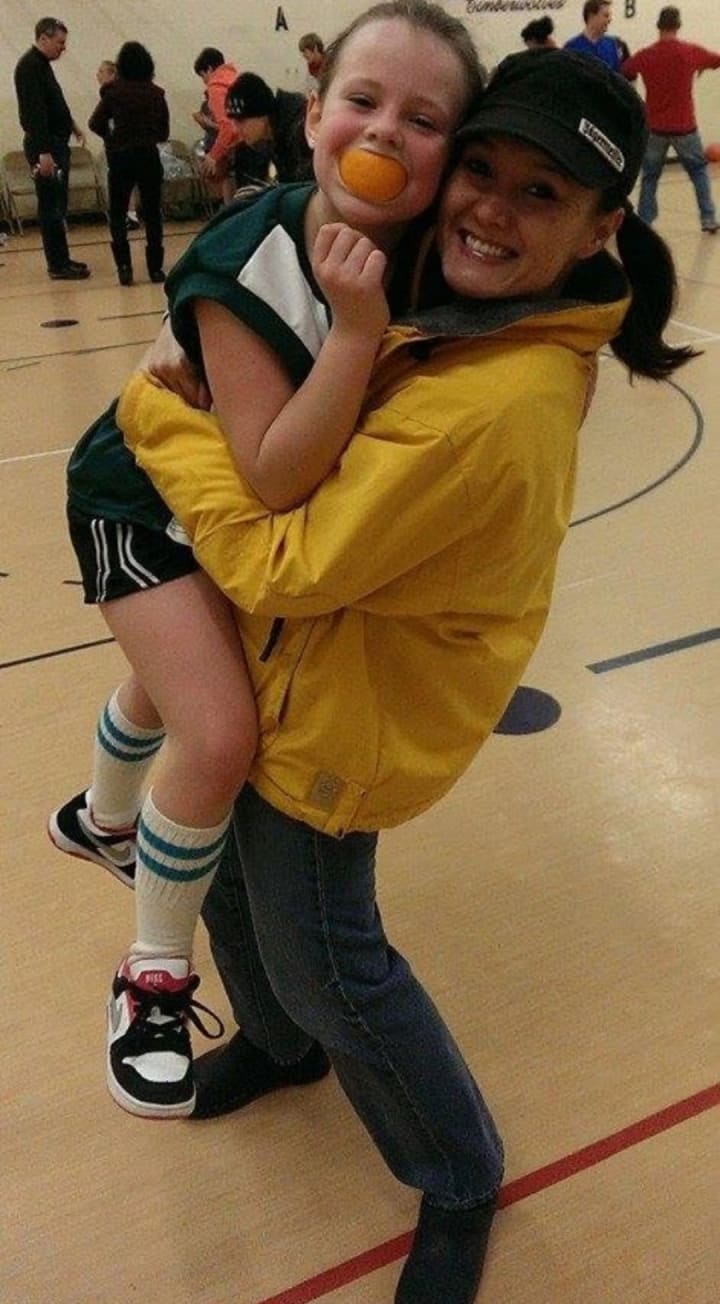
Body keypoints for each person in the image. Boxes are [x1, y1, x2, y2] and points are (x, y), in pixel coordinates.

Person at [123, 48, 692, 1304]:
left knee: (332, 961)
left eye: (541, 194)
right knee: (225, 881)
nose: (490, 208)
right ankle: (278, 1048)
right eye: (480, 169)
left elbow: (285, 562)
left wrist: (162, 417)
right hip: (292, 681)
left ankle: (458, 1167)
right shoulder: (469, 310)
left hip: (346, 721)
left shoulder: (497, 402)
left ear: (603, 226)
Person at [50, 0, 482, 1125]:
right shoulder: (252, 255)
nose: (384, 132)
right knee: (220, 732)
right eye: (363, 100)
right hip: (139, 505)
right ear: (315, 110)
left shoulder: (427, 254)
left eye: (424, 119)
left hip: (224, 522)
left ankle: (100, 815)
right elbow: (277, 475)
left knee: (176, 674)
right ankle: (151, 978)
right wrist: (355, 331)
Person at [622, 6, 720, 233]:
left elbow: (626, 69)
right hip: (684, 126)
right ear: (678, 25)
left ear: (659, 26)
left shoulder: (647, 54)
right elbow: (717, 60)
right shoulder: (690, 52)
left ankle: (645, 222)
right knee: (699, 172)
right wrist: (700, 68)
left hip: (655, 127)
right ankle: (708, 219)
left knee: (650, 177)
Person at [13, 17, 90, 280]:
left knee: (58, 205)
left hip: (56, 142)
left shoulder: (42, 65)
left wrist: (72, 125)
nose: (63, 48)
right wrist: (43, 152)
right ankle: (57, 265)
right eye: (59, 42)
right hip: (45, 147)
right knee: (50, 207)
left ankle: (62, 258)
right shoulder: (29, 67)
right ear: (43, 39)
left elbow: (54, 101)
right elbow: (34, 113)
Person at [88, 41, 169, 286]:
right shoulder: (156, 93)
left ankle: (124, 267)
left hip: (121, 157)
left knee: (118, 213)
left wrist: (112, 138)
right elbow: (163, 132)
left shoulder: (113, 92)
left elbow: (94, 123)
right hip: (148, 156)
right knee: (152, 213)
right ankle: (155, 268)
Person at [224, 71, 312, 189]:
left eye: (241, 121)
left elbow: (307, 188)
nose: (235, 130)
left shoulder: (300, 130)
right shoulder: (269, 137)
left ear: (262, 114)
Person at [193, 47, 242, 204]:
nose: (204, 81)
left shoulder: (216, 88)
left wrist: (214, 155)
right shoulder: (238, 79)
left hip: (234, 146)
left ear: (209, 69)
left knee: (219, 177)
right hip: (253, 143)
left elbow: (228, 127)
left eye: (203, 76)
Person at [95, 59, 141, 231]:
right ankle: (130, 213)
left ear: (112, 74)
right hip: (121, 142)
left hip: (121, 144)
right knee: (126, 179)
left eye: (101, 71)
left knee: (122, 179)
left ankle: (127, 215)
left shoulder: (114, 94)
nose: (98, 75)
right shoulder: (119, 93)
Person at [564, 1, 620, 71]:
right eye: (606, 15)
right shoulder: (572, 47)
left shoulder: (611, 44)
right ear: (592, 16)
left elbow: (616, 74)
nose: (610, 19)